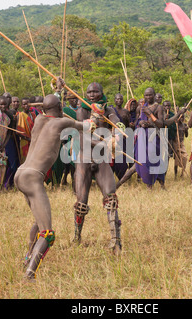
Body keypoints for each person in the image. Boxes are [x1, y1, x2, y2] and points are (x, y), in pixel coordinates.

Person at [15, 93, 92, 280]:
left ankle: (28, 258)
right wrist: (95, 118)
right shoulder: (61, 123)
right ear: (59, 108)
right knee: (48, 233)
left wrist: (58, 89)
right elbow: (86, 127)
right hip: (33, 177)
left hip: (21, 174)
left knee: (39, 219)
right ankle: (30, 274)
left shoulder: (40, 119)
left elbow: (53, 108)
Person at [73, 82, 125, 255]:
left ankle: (115, 241)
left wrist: (118, 132)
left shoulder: (108, 110)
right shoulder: (82, 110)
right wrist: (105, 142)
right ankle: (77, 236)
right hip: (84, 158)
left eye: (96, 91)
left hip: (101, 158)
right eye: (89, 92)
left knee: (111, 198)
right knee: (81, 203)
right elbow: (83, 138)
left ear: (102, 92)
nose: (92, 94)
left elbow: (116, 121)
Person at [17, 97, 37, 165]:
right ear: (22, 105)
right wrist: (28, 139)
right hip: (25, 141)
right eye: (24, 104)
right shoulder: (20, 115)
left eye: (28, 103)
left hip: (34, 141)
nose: (26, 105)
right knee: (25, 161)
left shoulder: (33, 114)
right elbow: (18, 131)